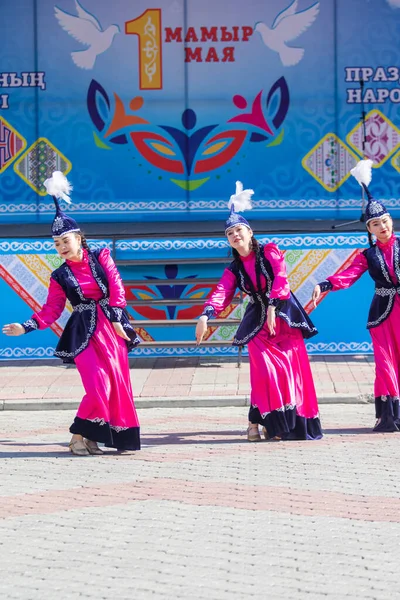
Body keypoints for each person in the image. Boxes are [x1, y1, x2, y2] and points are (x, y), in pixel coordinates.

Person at [2, 172, 141, 455]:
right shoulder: (60, 275)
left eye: (65, 240)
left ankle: (92, 438)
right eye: (56, 244)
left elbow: (116, 287)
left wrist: (115, 319)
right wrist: (26, 327)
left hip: (111, 327)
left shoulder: (101, 256)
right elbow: (52, 308)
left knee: (117, 382)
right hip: (83, 333)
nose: (62, 247)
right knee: (98, 384)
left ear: (79, 238)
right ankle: (79, 435)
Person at [195, 181, 322, 441]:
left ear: (250, 232)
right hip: (258, 321)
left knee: (289, 371)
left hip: (284, 316)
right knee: (265, 370)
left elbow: (281, 278)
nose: (236, 236)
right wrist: (206, 314)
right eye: (230, 234)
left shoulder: (269, 251)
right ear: (228, 240)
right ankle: (269, 423)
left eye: (239, 230)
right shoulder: (234, 268)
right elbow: (222, 291)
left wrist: (274, 305)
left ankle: (264, 425)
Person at [312, 159, 400, 433]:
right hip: (383, 313)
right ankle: (389, 416)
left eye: (385, 221)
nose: (382, 226)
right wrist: (326, 284)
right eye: (376, 224)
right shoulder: (368, 255)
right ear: (369, 230)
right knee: (385, 362)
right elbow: (348, 275)